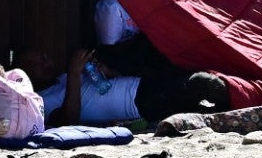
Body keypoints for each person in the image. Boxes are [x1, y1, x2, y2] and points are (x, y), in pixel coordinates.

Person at [38, 45, 231, 127]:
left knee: (196, 91)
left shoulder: (62, 79)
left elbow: (102, 88)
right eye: (37, 64)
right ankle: (240, 96)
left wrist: (109, 73)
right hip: (139, 103)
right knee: (201, 84)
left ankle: (239, 99)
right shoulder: (41, 102)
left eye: (45, 59)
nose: (46, 64)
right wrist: (74, 73)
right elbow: (68, 120)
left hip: (141, 85)